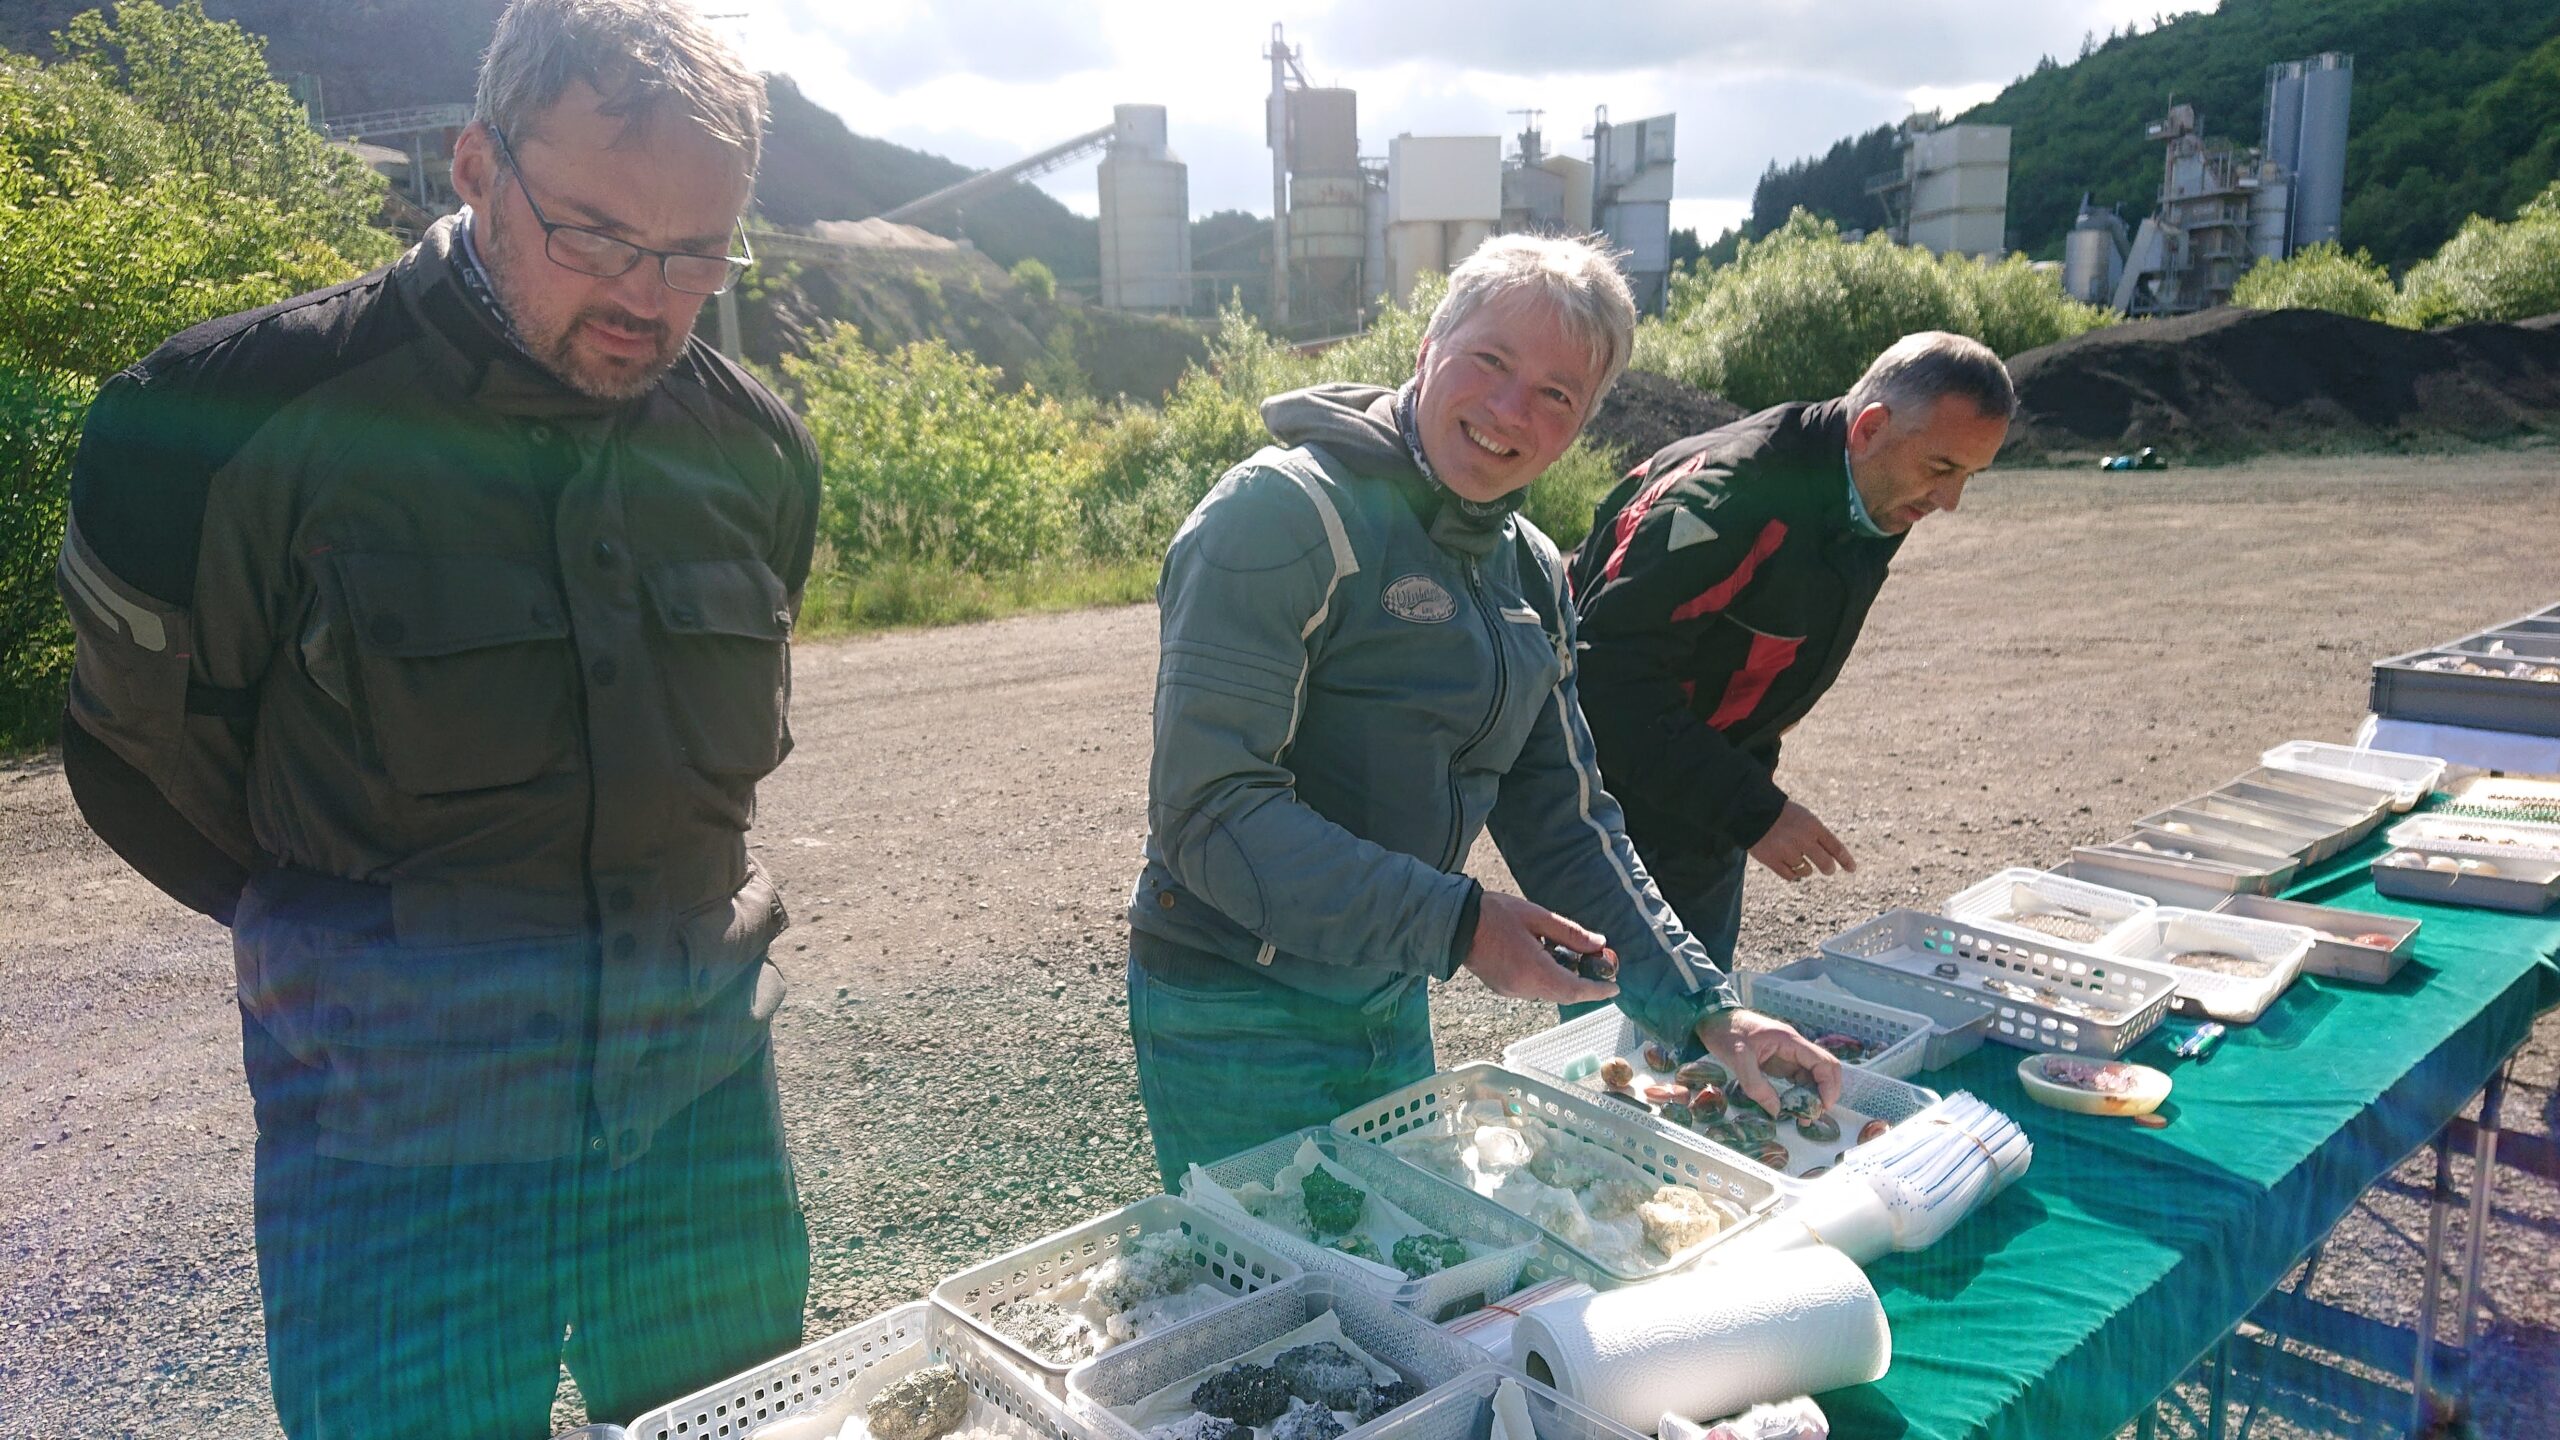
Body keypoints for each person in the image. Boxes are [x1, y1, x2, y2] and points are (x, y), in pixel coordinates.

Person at [53, 3, 815, 1434]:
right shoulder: (225, 424)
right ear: (474, 166)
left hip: (699, 1114)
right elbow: (143, 766)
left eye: (698, 253)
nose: (647, 298)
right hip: (402, 1152)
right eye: (594, 234)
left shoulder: (757, 450)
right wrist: (363, 953)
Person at [1125, 234, 1841, 1190]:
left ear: (1582, 423)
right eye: (1491, 361)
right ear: (1429, 349)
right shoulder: (1283, 515)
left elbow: (1568, 817)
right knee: (1268, 1292)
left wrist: (1708, 1006)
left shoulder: (1531, 569)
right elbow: (1209, 810)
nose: (1512, 411)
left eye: (1558, 394)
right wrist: (1460, 925)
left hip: (1387, 987)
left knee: (1389, 1270)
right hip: (1236, 1005)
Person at [1566, 332, 2015, 975]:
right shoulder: (1734, 500)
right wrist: (1751, 810)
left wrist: (1742, 797)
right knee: (1638, 1018)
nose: (1950, 501)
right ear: (1869, 428)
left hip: (1701, 789)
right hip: (1625, 798)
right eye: (1942, 469)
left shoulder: (1871, 491)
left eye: (1969, 476)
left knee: (1696, 1010)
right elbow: (1604, 684)